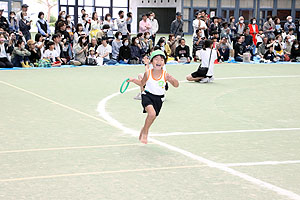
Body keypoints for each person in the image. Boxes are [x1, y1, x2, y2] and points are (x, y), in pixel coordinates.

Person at [127, 50, 179, 144]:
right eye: (156, 59)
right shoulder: (148, 73)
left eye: (161, 60)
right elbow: (141, 83)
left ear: (164, 63)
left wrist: (173, 79)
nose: (159, 62)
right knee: (151, 114)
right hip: (147, 95)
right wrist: (133, 80)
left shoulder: (165, 75)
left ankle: (143, 129)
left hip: (159, 99)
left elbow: (176, 85)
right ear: (151, 62)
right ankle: (146, 133)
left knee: (152, 117)